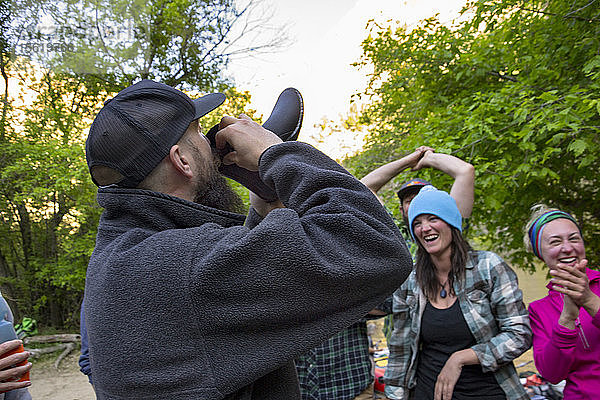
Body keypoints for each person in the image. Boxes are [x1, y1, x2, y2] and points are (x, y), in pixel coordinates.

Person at [82, 79, 412, 399]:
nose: (211, 145)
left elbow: (216, 308)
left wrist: (265, 203)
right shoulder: (183, 268)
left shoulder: (120, 259)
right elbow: (372, 246)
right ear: (182, 160)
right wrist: (276, 153)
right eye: (198, 134)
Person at [294, 148, 475, 400]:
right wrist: (406, 161)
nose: (416, 206)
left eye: (424, 200)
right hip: (410, 359)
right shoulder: (388, 241)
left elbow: (465, 172)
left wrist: (430, 159)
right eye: (409, 200)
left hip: (461, 355)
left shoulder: (446, 240)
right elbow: (360, 190)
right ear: (401, 208)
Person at [384, 186, 531, 400]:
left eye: (433, 219)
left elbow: (519, 334)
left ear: (451, 222)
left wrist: (462, 358)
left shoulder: (488, 267)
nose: (425, 228)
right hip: (426, 390)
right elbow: (401, 347)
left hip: (488, 391)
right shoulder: (410, 280)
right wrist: (394, 395)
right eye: (417, 223)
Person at [524, 205, 600, 399]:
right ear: (540, 252)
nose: (567, 248)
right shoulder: (538, 310)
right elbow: (552, 374)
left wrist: (589, 300)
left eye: (574, 238)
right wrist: (566, 319)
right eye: (555, 242)